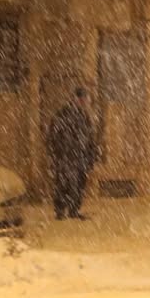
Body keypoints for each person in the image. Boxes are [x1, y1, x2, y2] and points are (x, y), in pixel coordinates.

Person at [46, 85, 98, 220]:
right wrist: (56, 154)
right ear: (77, 99)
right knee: (64, 183)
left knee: (79, 183)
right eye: (84, 100)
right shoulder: (62, 115)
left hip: (80, 156)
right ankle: (60, 211)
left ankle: (74, 210)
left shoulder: (84, 116)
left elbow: (90, 138)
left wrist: (91, 156)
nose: (85, 103)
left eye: (86, 101)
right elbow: (53, 136)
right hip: (66, 156)